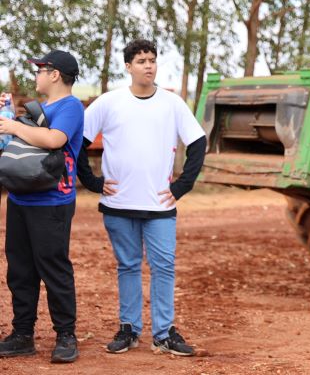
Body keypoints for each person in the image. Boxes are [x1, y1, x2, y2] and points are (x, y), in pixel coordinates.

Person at [77, 39, 207, 356]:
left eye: (152, 60)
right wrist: (93, 182)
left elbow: (198, 142)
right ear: (128, 66)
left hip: (160, 205)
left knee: (164, 267)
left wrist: (180, 187)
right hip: (118, 205)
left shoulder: (172, 103)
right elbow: (77, 140)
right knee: (128, 266)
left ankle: (163, 334)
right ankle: (129, 329)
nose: (148, 65)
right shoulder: (109, 102)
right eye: (141, 61)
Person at [0, 50, 87, 363]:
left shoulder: (70, 106)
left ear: (55, 74)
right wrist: (8, 120)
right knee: (20, 270)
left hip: (52, 201)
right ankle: (22, 334)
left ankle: (66, 334)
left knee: (54, 268)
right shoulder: (37, 109)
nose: (36, 75)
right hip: (21, 198)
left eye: (40, 70)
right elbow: (18, 145)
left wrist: (14, 127)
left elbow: (54, 139)